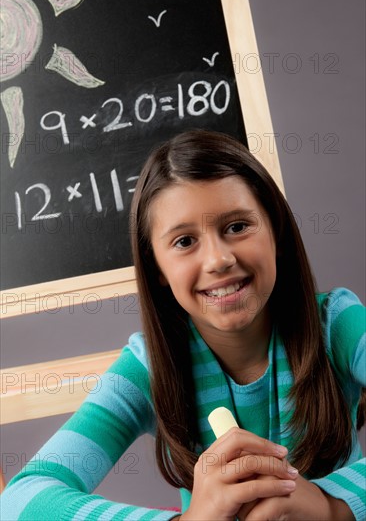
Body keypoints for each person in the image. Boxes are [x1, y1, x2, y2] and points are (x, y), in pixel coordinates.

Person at [1, 130, 365, 520]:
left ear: (275, 229)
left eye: (238, 226)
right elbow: (20, 500)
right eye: (185, 241)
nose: (218, 260)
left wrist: (334, 506)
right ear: (156, 266)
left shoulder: (338, 324)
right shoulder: (150, 369)